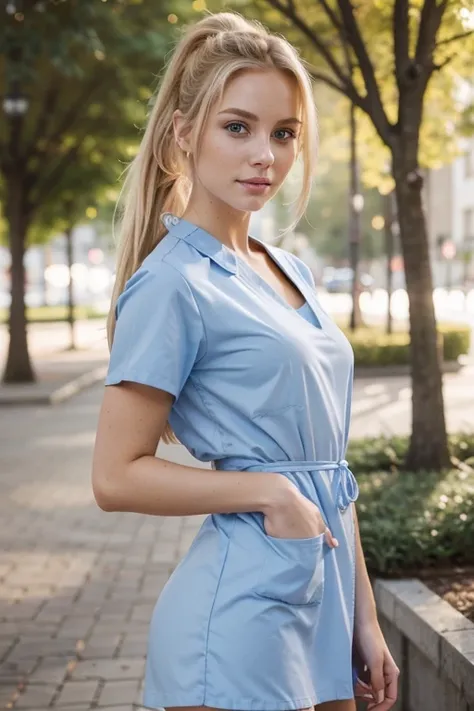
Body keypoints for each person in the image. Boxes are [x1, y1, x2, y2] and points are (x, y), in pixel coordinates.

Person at [92, 11, 399, 711]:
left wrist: (367, 620)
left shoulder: (287, 268)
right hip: (239, 617)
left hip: (325, 600)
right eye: (238, 127)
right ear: (184, 134)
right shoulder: (171, 283)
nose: (265, 153)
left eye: (283, 133)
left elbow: (329, 468)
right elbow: (114, 475)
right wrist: (266, 490)